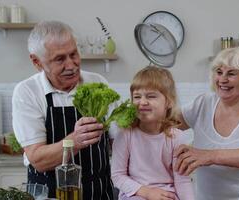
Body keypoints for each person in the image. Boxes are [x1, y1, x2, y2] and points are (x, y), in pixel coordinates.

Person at [12, 20, 113, 199]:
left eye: (74, 54)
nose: (71, 65)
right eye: (60, 59)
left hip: (99, 192)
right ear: (37, 62)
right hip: (51, 193)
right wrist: (75, 141)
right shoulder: (27, 92)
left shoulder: (97, 83)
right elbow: (38, 159)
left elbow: (115, 140)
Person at [173, 47, 239, 200]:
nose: (222, 79)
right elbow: (164, 124)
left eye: (231, 73)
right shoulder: (203, 103)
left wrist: (210, 155)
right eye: (219, 72)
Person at [111, 66, 194, 200]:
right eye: (137, 97)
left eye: (151, 96)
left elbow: (183, 181)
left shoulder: (177, 137)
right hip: (135, 193)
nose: (142, 102)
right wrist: (147, 192)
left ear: (168, 102)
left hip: (167, 194)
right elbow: (117, 176)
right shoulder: (126, 134)